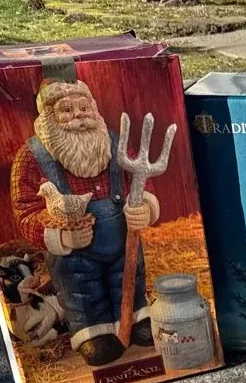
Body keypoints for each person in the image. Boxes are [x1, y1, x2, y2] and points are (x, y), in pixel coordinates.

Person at [10, 80, 161, 366]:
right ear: (49, 117)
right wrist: (63, 237)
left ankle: (134, 316)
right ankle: (94, 331)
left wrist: (145, 206)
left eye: (84, 107)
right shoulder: (31, 157)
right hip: (75, 255)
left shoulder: (113, 143)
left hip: (122, 241)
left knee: (128, 278)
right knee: (82, 287)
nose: (78, 115)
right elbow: (25, 211)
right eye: (67, 110)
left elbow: (141, 180)